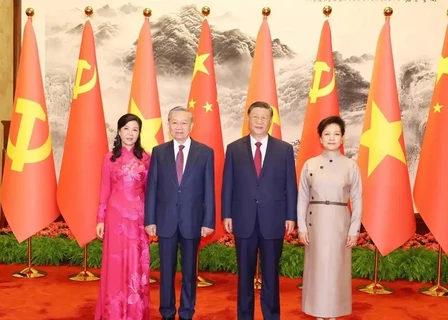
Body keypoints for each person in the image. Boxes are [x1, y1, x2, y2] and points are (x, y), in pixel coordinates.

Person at [222, 101, 298, 320]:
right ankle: (244, 316)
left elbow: (290, 185)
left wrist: (290, 216)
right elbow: (228, 184)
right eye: (255, 117)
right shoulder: (234, 148)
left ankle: (271, 315)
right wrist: (227, 213)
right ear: (248, 119)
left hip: (273, 220)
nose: (259, 122)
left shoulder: (284, 149)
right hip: (243, 219)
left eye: (264, 118)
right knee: (244, 275)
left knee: (271, 275)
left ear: (270, 121)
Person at [145, 106, 215, 320]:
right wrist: (150, 219)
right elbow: (152, 188)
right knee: (166, 272)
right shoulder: (159, 152)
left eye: (183, 123)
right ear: (168, 125)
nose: (179, 127)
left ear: (191, 125)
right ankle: (166, 312)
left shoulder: (205, 152)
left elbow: (209, 189)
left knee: (189, 273)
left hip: (192, 221)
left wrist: (208, 220)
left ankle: (186, 312)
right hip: (165, 221)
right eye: (174, 122)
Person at [297, 116, 362, 320]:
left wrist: (354, 229)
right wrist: (301, 227)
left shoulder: (350, 166)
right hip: (315, 222)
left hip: (340, 222)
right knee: (316, 267)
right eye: (327, 134)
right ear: (320, 138)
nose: (331, 138)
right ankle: (317, 311)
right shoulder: (310, 165)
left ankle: (334, 312)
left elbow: (358, 199)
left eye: (336, 134)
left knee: (337, 268)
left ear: (342, 138)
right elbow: (302, 198)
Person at [95, 113, 151, 320]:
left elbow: (150, 191)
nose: (130, 133)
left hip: (139, 218)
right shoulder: (109, 158)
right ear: (119, 131)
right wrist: (100, 219)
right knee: (115, 264)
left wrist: (151, 219)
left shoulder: (146, 158)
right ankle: (114, 313)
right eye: (126, 129)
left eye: (135, 129)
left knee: (137, 263)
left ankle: (136, 312)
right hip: (115, 217)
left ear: (139, 133)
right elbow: (104, 190)